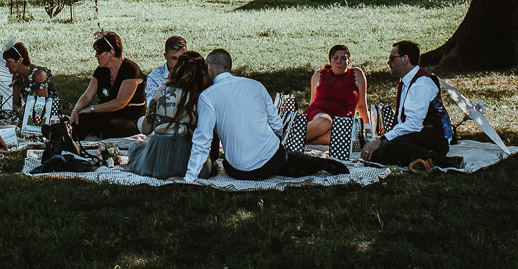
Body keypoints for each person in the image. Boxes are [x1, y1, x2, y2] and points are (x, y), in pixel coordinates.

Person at [184, 49, 349, 182]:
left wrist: (190, 177)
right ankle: (312, 163)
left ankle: (298, 166)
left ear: (208, 66)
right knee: (279, 155)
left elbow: (202, 140)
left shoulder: (208, 96)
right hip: (274, 157)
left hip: (241, 170)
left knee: (248, 163)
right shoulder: (255, 85)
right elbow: (276, 124)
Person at [361, 41, 462, 171]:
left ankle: (446, 161)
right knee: (374, 154)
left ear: (405, 59)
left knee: (388, 148)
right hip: (419, 134)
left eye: (392, 58)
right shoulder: (407, 81)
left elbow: (414, 124)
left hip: (434, 137)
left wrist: (382, 140)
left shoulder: (421, 84)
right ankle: (424, 162)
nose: (388, 62)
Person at [128, 50, 215, 179]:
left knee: (137, 149)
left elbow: (146, 130)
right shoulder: (202, 96)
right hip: (187, 154)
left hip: (158, 158)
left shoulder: (161, 91)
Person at [69, 32, 145, 138]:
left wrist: (91, 109)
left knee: (110, 127)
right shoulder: (101, 70)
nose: (96, 55)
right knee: (79, 120)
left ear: (111, 53)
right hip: (107, 115)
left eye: (99, 52)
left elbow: (119, 103)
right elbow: (87, 95)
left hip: (129, 118)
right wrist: (76, 110)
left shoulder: (131, 70)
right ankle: (70, 146)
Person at [303, 44, 372, 144]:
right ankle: (291, 136)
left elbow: (361, 105)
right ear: (330, 61)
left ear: (349, 61)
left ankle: (303, 139)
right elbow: (312, 101)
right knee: (325, 122)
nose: (339, 61)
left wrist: (368, 130)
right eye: (335, 58)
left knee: (345, 138)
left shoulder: (357, 74)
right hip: (320, 114)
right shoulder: (319, 74)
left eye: (343, 58)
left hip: (342, 120)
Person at [3, 42, 58, 120]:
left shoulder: (38, 74)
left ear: (19, 61)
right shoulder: (16, 76)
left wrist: (27, 112)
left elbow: (42, 105)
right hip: (30, 113)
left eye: (8, 61)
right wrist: (20, 110)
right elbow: (15, 104)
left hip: (47, 115)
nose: (6, 65)